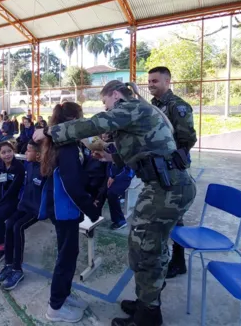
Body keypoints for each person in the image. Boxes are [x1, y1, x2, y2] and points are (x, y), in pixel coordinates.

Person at [33, 81, 186, 326]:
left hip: (167, 189)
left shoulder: (132, 108)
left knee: (148, 252)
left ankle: (148, 314)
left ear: (115, 95)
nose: (105, 108)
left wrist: (52, 131)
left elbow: (96, 124)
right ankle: (145, 304)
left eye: (104, 102)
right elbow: (134, 148)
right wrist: (108, 157)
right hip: (158, 187)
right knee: (141, 250)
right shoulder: (135, 113)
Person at [36, 102, 100, 323]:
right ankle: (55, 308)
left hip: (64, 209)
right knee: (66, 258)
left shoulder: (66, 142)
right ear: (73, 120)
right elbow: (72, 184)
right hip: (64, 210)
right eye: (81, 118)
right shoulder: (67, 147)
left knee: (69, 255)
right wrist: (91, 210)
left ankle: (64, 295)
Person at [147, 65, 198, 278]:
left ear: (168, 82)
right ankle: (170, 259)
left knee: (174, 215)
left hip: (172, 169)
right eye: (149, 81)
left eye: (155, 81)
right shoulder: (153, 105)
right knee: (165, 215)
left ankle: (177, 261)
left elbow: (188, 139)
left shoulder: (178, 106)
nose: (150, 85)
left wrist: (171, 156)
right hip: (157, 168)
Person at [0, 140, 45, 290]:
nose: (25, 154)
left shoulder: (45, 170)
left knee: (17, 227)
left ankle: (18, 269)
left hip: (37, 209)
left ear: (37, 155)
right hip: (24, 205)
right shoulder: (28, 166)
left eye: (28, 151)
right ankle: (8, 264)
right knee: (9, 223)